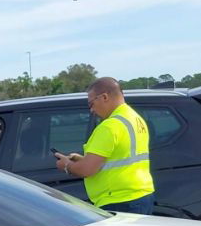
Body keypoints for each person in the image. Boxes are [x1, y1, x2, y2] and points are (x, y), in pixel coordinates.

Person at [54, 77, 155, 214]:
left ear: (104, 97)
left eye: (91, 104)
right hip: (140, 195)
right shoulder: (135, 119)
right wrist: (83, 159)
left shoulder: (109, 127)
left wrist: (66, 165)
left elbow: (86, 170)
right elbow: (120, 157)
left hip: (118, 200)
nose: (91, 110)